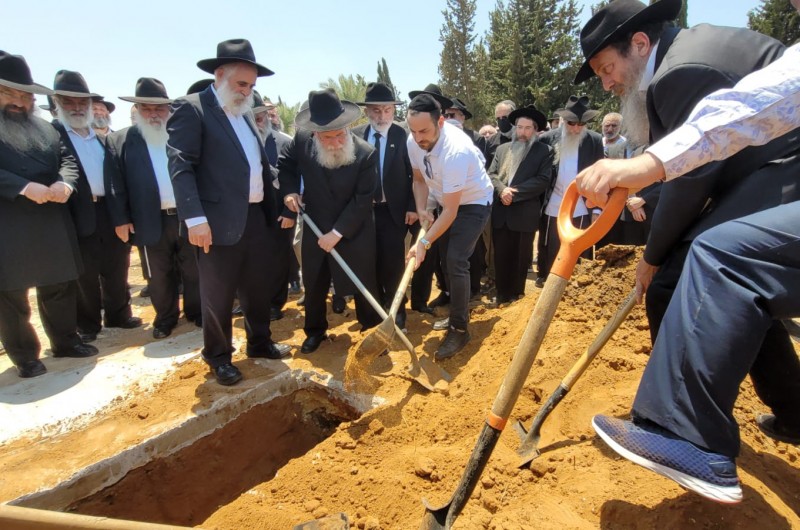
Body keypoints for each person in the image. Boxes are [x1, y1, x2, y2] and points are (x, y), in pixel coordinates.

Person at [573, 0, 800, 503]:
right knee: (718, 273)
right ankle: (794, 410)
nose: (608, 86)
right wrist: (643, 192)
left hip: (789, 166)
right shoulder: (679, 60)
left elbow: (695, 172)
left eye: (608, 70)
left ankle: (679, 429)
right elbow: (685, 163)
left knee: (685, 274)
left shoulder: (682, 71)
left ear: (639, 45)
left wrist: (651, 257)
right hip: (769, 167)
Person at [168, 39, 290, 386]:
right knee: (218, 295)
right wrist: (195, 219)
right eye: (241, 84)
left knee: (257, 288)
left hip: (254, 218)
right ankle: (219, 357)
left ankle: (260, 343)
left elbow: (256, 165)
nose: (247, 91)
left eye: (252, 86)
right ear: (220, 75)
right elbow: (181, 166)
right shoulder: (192, 108)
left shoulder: (244, 112)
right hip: (215, 223)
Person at [0, 51, 97, 377]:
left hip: (52, 220)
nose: (18, 101)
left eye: (24, 95)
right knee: (11, 296)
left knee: (59, 285)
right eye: (8, 93)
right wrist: (24, 187)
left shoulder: (47, 129)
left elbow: (68, 160)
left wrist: (65, 185)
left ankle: (66, 342)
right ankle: (25, 356)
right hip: (8, 223)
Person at [278, 89, 381, 354]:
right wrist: (289, 191)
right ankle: (315, 331)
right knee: (314, 281)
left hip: (354, 227)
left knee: (363, 279)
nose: (335, 141)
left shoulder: (366, 153)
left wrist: (337, 232)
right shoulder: (301, 141)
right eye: (328, 137)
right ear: (315, 134)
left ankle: (371, 330)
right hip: (315, 222)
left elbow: (362, 199)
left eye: (340, 134)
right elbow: (286, 165)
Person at [105, 78, 201, 339]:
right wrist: (121, 219)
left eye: (159, 108)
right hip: (149, 219)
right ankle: (166, 318)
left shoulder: (182, 135)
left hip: (185, 216)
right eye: (147, 109)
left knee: (193, 268)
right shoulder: (121, 141)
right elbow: (115, 184)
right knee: (158, 274)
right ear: (137, 110)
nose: (154, 114)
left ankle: (197, 311)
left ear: (169, 109)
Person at [51, 70, 142, 342]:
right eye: (69, 102)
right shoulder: (53, 136)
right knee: (85, 273)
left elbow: (117, 179)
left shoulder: (104, 139)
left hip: (109, 212)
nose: (77, 108)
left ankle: (119, 314)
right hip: (78, 213)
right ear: (57, 103)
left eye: (82, 103)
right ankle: (89, 325)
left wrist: (123, 215)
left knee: (117, 265)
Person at [405, 94, 494, 360]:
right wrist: (422, 208)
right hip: (445, 197)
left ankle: (459, 328)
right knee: (446, 260)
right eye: (413, 130)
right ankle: (458, 310)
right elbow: (419, 179)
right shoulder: (413, 141)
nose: (418, 137)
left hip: (473, 201)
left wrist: (422, 243)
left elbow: (453, 211)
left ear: (441, 122)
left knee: (456, 259)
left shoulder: (456, 151)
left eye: (424, 131)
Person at [352, 82, 417, 331]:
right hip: (363, 213)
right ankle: (372, 316)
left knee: (393, 264)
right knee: (367, 263)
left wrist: (412, 205)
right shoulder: (356, 136)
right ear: (367, 111)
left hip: (394, 211)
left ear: (393, 110)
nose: (382, 116)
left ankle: (397, 312)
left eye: (387, 110)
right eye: (376, 110)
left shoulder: (405, 136)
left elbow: (415, 176)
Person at [536, 96, 604, 286]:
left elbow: (600, 177)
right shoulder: (547, 139)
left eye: (581, 124)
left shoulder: (594, 141)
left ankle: (578, 289)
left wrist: (597, 210)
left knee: (579, 249)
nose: (576, 129)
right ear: (564, 121)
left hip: (582, 205)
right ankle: (550, 286)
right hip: (554, 204)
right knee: (552, 249)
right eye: (572, 123)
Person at [487, 105, 552, 304]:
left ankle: (516, 296)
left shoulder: (544, 151)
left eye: (527, 128)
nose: (522, 132)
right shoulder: (502, 149)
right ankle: (501, 295)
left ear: (535, 130)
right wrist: (501, 190)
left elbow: (542, 180)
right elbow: (491, 174)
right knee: (501, 257)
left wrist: (513, 193)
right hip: (501, 213)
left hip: (524, 214)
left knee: (521, 258)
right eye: (519, 127)